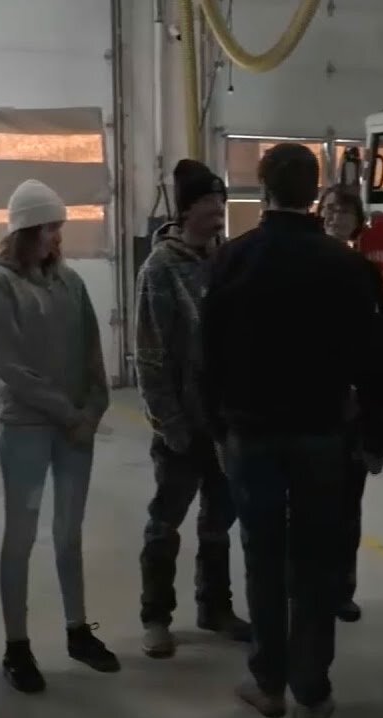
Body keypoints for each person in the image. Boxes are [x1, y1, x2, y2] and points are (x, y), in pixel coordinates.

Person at [202, 143, 383, 718]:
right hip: (322, 437)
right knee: (316, 559)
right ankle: (314, 686)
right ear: (315, 192)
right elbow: (373, 358)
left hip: (252, 435)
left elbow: (208, 355)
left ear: (263, 189)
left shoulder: (232, 260)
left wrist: (217, 425)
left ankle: (270, 683)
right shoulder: (349, 266)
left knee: (263, 556)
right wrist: (375, 435)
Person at [0, 179, 118, 694]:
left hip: (74, 429)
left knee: (69, 532)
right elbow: (9, 366)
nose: (57, 237)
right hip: (26, 429)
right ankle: (17, 646)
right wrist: (66, 411)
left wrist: (94, 409)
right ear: (24, 230)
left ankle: (79, 631)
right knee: (20, 536)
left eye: (59, 228)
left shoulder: (70, 282)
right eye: (48, 229)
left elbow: (92, 352)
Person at [135, 159, 251, 659]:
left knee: (218, 522)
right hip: (182, 424)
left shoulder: (226, 260)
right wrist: (169, 422)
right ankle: (156, 617)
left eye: (222, 203)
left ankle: (214, 607)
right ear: (186, 210)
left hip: (223, 423)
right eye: (209, 203)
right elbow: (151, 353)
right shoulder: (160, 268)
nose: (219, 213)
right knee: (167, 521)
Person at [316, 184, 383, 623]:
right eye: (327, 209)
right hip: (311, 412)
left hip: (351, 414)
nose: (333, 216)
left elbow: (377, 354)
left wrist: (377, 431)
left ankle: (342, 588)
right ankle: (308, 586)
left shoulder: (365, 274)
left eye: (342, 210)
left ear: (357, 220)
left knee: (347, 509)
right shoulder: (302, 267)